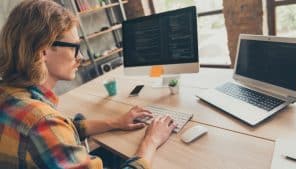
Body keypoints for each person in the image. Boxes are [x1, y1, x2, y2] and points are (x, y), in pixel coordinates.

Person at [0, 0, 176, 169]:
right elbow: (49, 128)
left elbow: (65, 128)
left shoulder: (9, 94)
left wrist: (115, 122)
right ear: (43, 51)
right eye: (74, 47)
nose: (81, 57)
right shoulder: (41, 122)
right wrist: (151, 141)